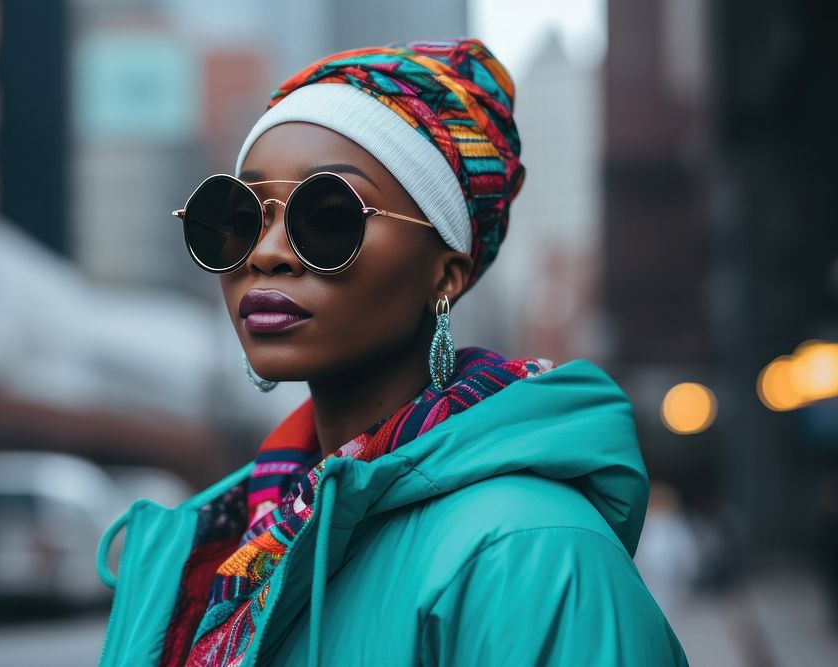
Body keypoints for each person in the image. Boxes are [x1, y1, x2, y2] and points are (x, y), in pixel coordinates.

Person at [95, 37, 689, 666]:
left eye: (327, 217)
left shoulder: (531, 555)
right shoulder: (219, 546)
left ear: (446, 275)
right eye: (238, 217)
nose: (265, 253)